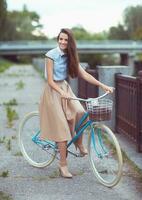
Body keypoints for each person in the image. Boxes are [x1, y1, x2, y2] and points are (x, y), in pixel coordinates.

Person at [39, 28, 113, 178]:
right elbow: (50, 81)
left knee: (81, 112)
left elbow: (84, 74)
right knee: (62, 130)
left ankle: (78, 143)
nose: (63, 42)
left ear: (70, 42)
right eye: (60, 39)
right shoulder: (50, 55)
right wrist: (62, 93)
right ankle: (63, 166)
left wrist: (102, 85)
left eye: (66, 40)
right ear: (57, 39)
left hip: (65, 88)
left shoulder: (70, 56)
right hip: (53, 91)